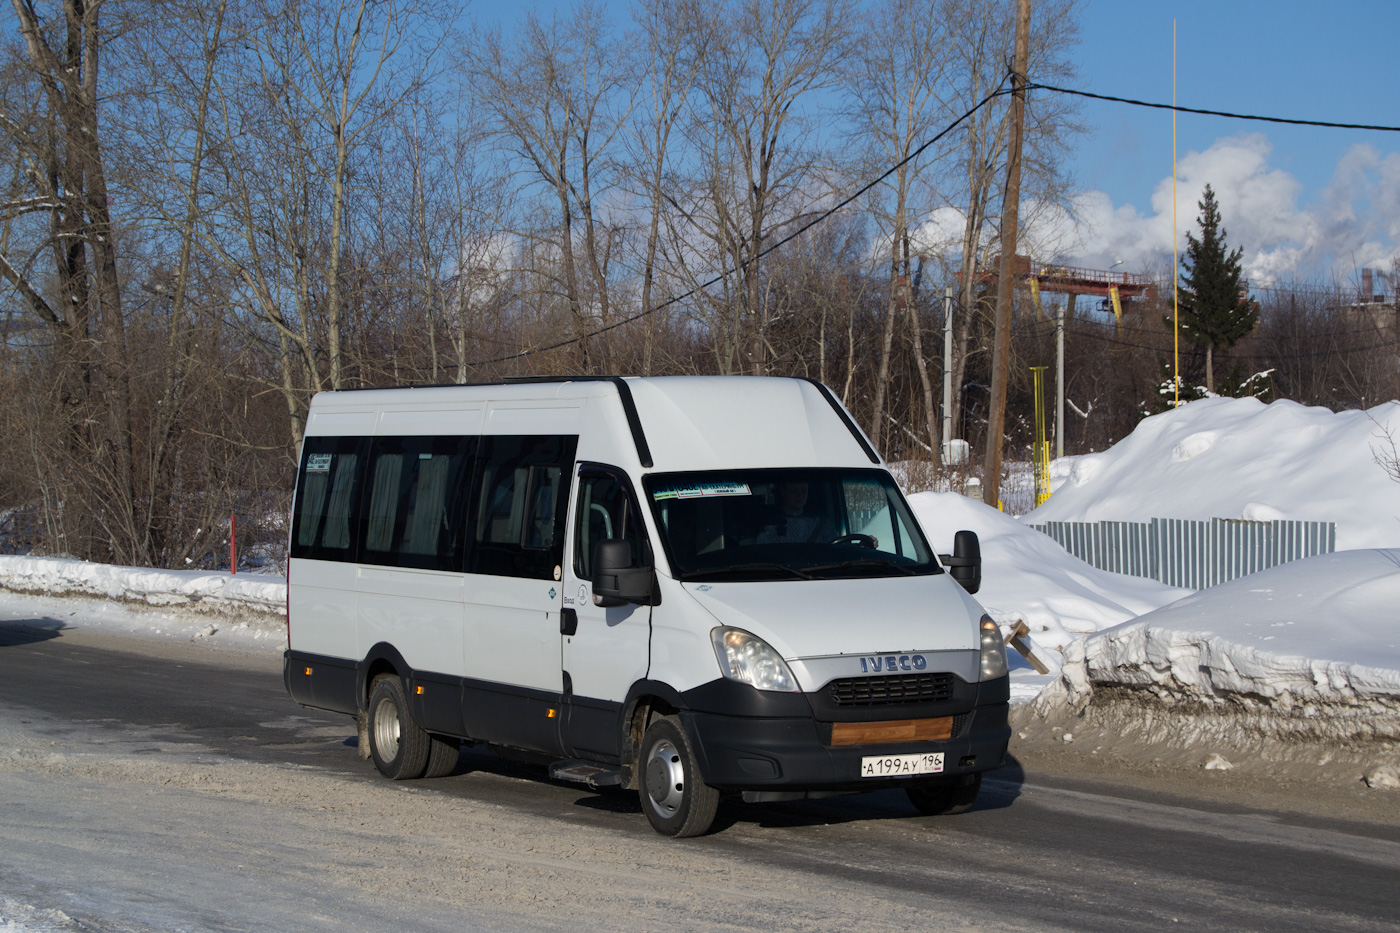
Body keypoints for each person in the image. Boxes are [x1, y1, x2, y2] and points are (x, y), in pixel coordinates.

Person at [756, 481, 835, 544]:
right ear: (783, 492)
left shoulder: (821, 523)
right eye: (794, 491)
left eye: (804, 491)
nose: (800, 495)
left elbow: (836, 548)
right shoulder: (770, 525)